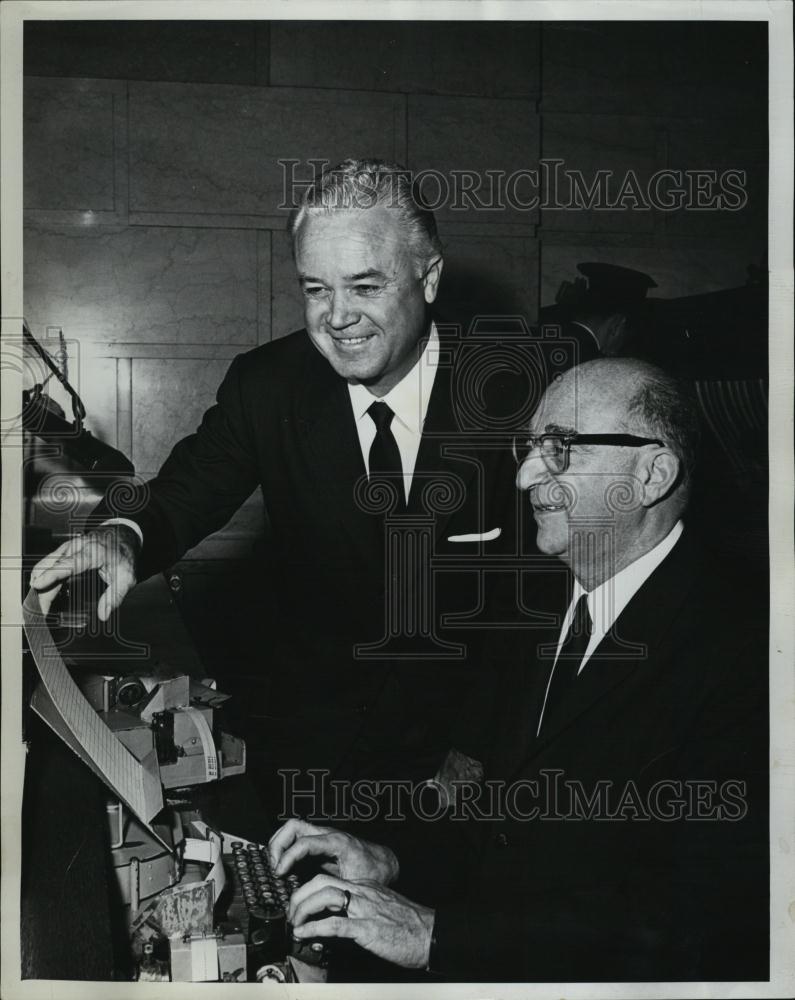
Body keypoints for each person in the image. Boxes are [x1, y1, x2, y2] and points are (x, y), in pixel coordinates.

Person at [29, 159, 524, 803]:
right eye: (316, 289)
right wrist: (124, 536)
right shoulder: (267, 385)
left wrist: (478, 747)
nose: (337, 317)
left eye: (365, 286)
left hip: (461, 755)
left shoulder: (511, 393)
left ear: (428, 278)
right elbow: (185, 493)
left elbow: (537, 600)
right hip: (313, 748)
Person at [268, 357, 768, 982]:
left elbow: (695, 920)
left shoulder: (751, 651)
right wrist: (390, 861)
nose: (527, 474)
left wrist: (433, 935)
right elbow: (500, 823)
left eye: (560, 449)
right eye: (529, 448)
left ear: (652, 474)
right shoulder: (535, 610)